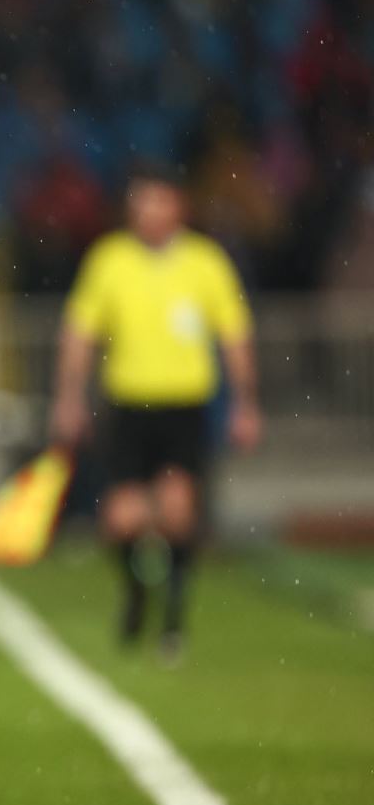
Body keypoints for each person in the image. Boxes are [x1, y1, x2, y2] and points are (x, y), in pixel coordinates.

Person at [49, 163, 261, 662]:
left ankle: (174, 617)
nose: (149, 211)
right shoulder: (110, 260)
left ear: (179, 205)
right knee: (119, 520)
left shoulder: (205, 262)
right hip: (128, 407)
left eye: (159, 200)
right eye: (141, 202)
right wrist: (69, 398)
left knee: (178, 510)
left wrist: (246, 403)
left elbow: (234, 335)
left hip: (184, 406)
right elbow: (80, 333)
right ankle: (138, 592)